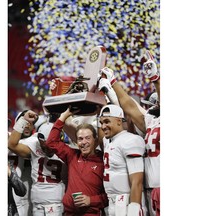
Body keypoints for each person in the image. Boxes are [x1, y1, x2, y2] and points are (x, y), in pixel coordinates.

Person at [97, 50, 160, 216]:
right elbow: (128, 106)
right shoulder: (151, 121)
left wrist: (156, 80)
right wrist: (113, 81)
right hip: (150, 189)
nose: (151, 107)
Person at [46, 107, 108, 216]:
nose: (84, 142)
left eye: (87, 138)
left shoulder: (103, 160)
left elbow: (111, 195)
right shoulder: (72, 156)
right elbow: (51, 142)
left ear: (95, 140)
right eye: (80, 139)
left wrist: (91, 200)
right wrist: (65, 115)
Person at [8, 110, 67, 216]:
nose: (45, 145)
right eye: (43, 142)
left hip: (54, 202)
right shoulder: (34, 143)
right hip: (35, 202)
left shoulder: (68, 150)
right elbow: (12, 144)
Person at [98, 104, 146, 216]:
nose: (103, 126)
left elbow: (137, 181)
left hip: (129, 202)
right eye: (101, 123)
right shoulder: (108, 140)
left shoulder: (130, 140)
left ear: (119, 121)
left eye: (107, 121)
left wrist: (134, 210)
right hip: (113, 203)